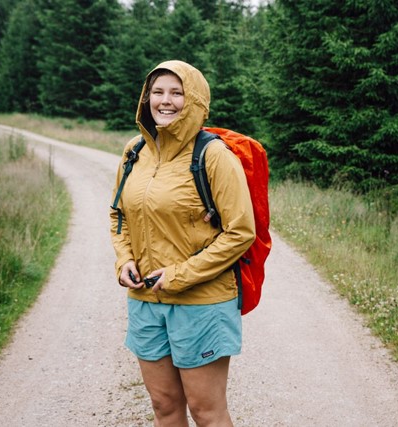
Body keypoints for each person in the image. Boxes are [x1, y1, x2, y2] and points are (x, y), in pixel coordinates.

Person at [110, 60, 255, 426]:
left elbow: (240, 232)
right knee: (164, 407)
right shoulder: (134, 151)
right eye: (157, 92)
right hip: (146, 301)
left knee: (206, 412)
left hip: (201, 303)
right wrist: (124, 259)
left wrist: (179, 275)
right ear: (146, 98)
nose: (165, 101)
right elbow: (119, 215)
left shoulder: (213, 155)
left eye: (177, 92)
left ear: (194, 100)